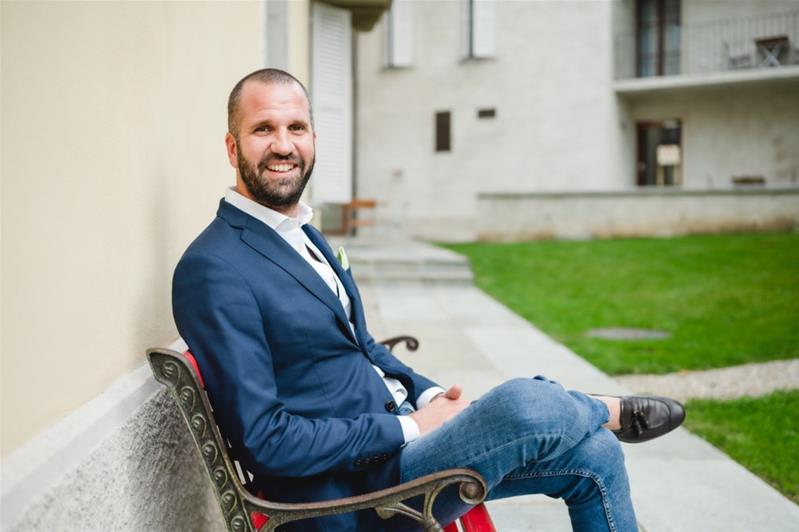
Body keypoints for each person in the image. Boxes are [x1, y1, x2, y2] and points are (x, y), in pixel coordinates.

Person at [172, 68, 685, 532]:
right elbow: (268, 440)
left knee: (596, 454)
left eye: (297, 128)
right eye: (264, 129)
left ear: (313, 139)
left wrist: (428, 397)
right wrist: (410, 427)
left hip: (403, 449)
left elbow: (361, 346)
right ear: (232, 145)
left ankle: (574, 412)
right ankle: (594, 406)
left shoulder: (301, 231)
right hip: (356, 491)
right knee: (523, 404)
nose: (283, 144)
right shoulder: (214, 268)